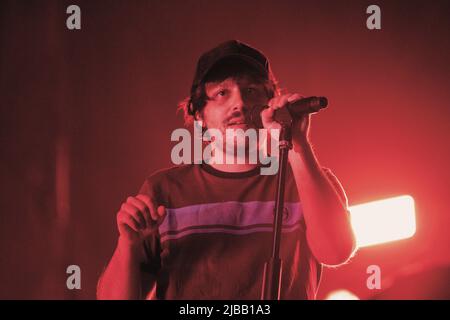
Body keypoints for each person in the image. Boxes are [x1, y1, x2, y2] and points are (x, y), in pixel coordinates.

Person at [96, 40, 356, 300]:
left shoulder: (304, 179)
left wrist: (297, 142)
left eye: (252, 90)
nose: (240, 104)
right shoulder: (164, 190)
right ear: (199, 115)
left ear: (271, 105)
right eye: (222, 93)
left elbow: (335, 252)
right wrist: (128, 246)